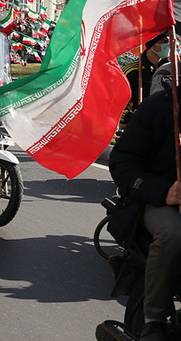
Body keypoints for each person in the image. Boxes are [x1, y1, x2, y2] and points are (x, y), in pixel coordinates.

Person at [109, 78, 181, 341]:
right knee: (173, 233)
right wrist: (164, 191)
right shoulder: (157, 108)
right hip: (155, 202)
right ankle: (154, 320)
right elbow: (121, 162)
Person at [120, 31, 170, 126]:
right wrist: (130, 116)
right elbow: (115, 104)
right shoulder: (131, 71)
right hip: (133, 128)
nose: (168, 44)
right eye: (164, 41)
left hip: (160, 128)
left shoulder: (171, 70)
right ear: (152, 43)